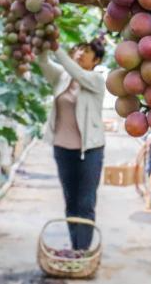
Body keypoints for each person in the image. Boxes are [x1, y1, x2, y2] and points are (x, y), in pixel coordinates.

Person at [36, 38, 107, 252]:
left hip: (90, 150)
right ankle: (75, 247)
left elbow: (78, 73)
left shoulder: (95, 79)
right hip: (62, 148)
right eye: (78, 48)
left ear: (96, 61)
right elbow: (43, 62)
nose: (80, 53)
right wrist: (42, 42)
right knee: (70, 202)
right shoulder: (62, 76)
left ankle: (81, 252)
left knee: (86, 202)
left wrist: (57, 48)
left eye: (87, 52)